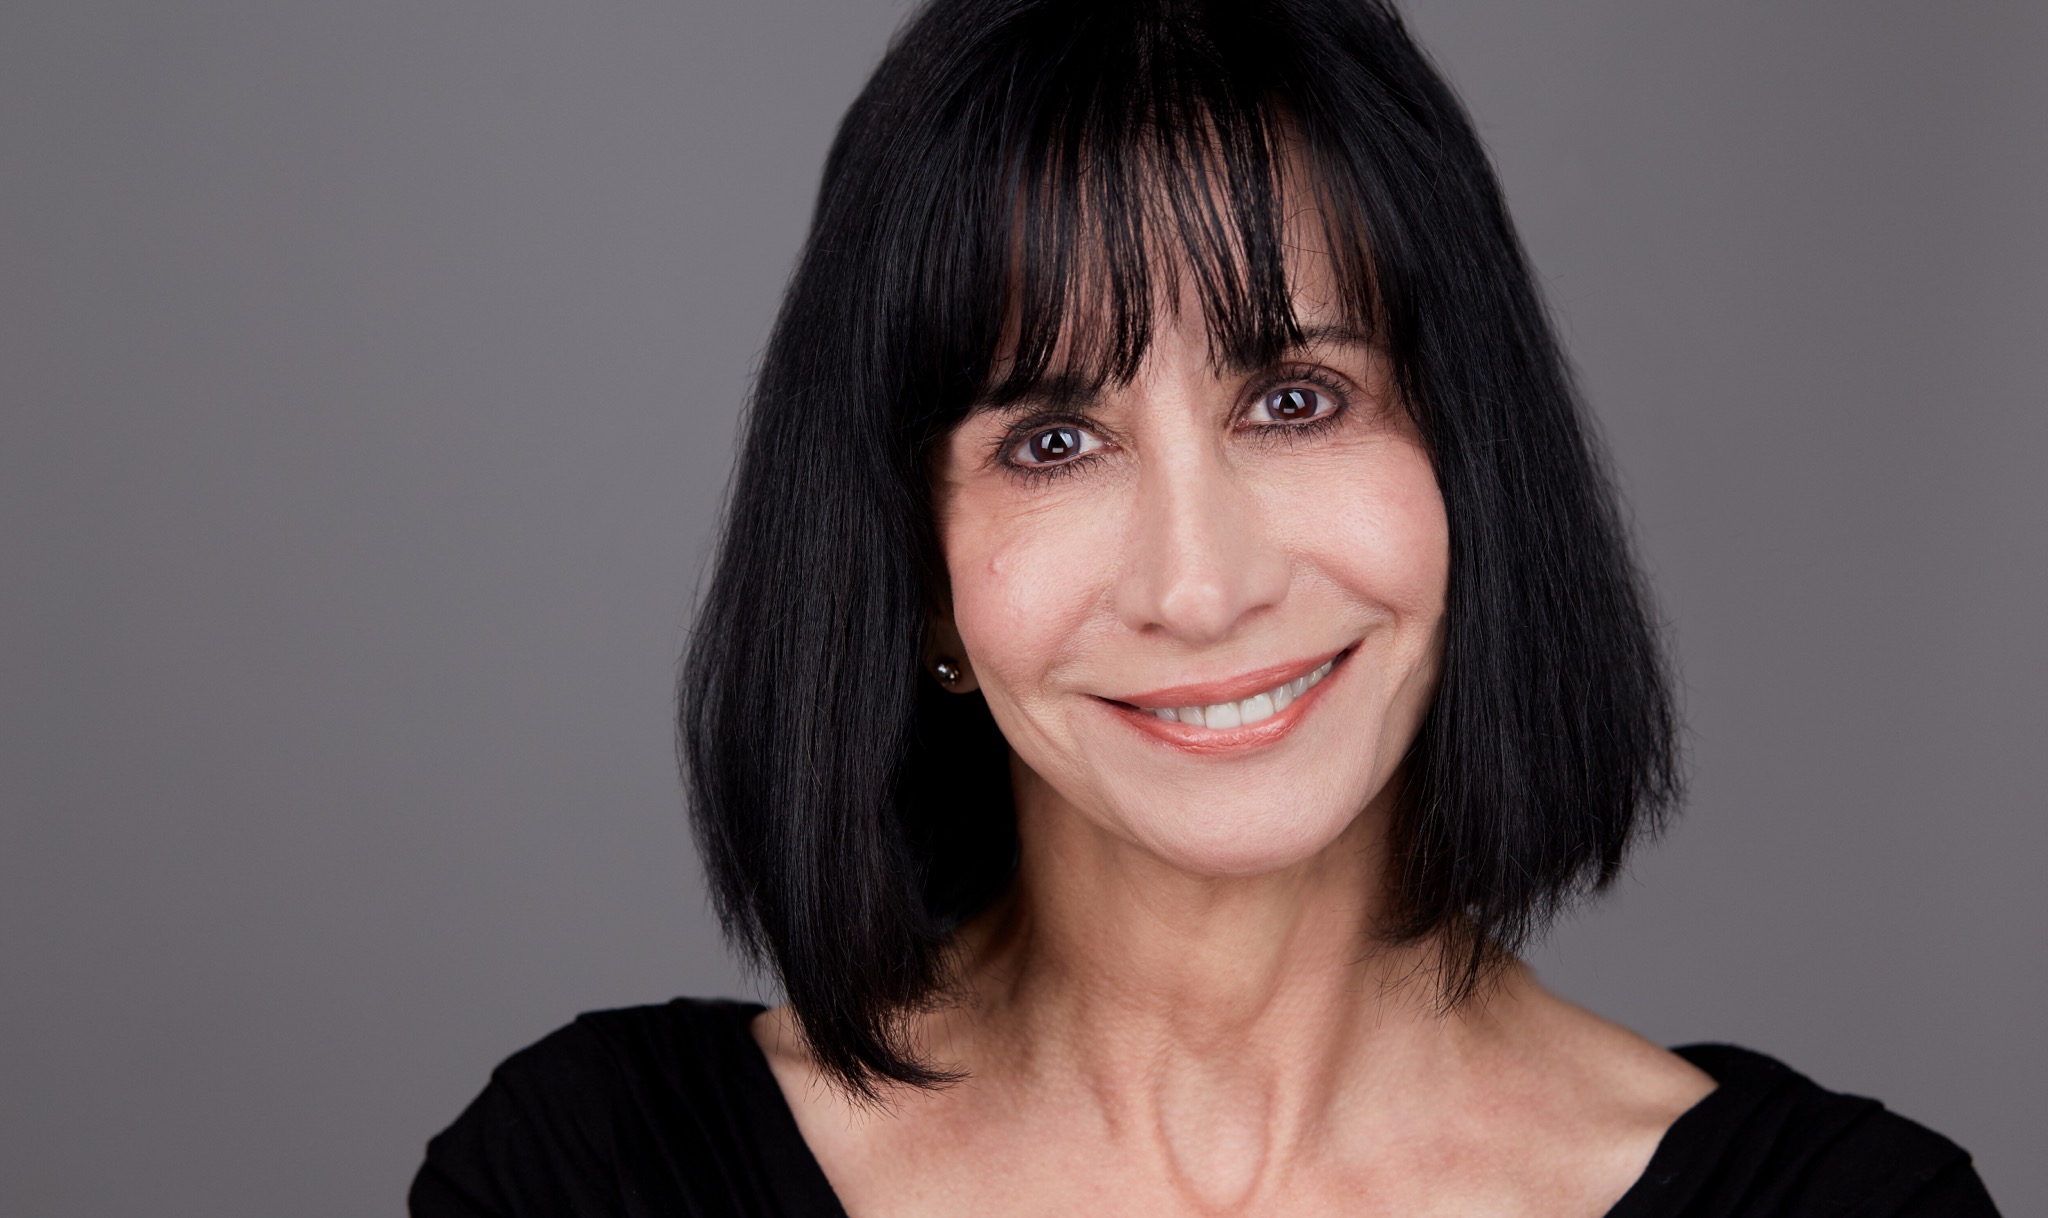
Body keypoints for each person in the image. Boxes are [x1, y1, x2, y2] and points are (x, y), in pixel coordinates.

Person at [409, 1, 1999, 1214]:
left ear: (1470, 466)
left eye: (1297, 399)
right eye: (1052, 439)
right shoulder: (592, 1178)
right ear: (917, 575)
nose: (1201, 581)